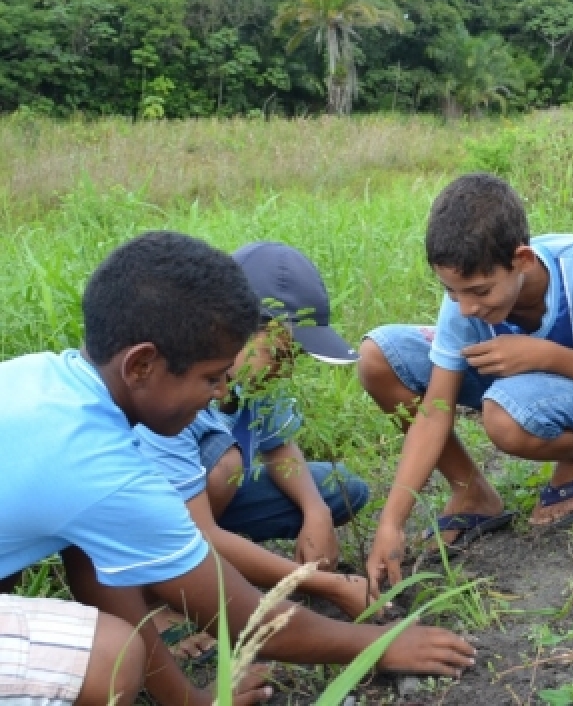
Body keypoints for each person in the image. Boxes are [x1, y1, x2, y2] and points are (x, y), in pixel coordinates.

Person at [0, 231, 475, 706]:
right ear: (141, 365)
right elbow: (247, 617)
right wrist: (378, 644)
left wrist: (190, 700)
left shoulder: (48, 378)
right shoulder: (102, 468)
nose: (219, 392)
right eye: (210, 377)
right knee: (108, 657)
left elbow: (99, 574)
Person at [361, 173, 573, 590]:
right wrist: (392, 522)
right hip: (512, 385)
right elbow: (436, 410)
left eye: (479, 291)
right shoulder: (464, 301)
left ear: (522, 260)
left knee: (504, 415)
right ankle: (471, 492)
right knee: (379, 357)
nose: (465, 308)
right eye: (452, 291)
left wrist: (544, 355)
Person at [134, 241, 372, 660]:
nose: (287, 366)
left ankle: (229, 561)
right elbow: (198, 530)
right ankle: (159, 602)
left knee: (340, 490)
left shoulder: (255, 377)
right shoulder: (175, 392)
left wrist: (316, 514)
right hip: (152, 521)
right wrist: (318, 582)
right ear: (235, 329)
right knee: (225, 465)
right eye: (281, 351)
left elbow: (279, 446)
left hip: (206, 506)